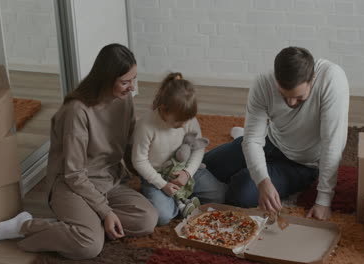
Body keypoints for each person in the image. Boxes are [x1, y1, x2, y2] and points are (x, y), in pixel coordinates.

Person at [0, 43, 158, 260]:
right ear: (106, 79)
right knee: (89, 245)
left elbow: (130, 146)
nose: (132, 87)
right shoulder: (77, 111)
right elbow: (74, 174)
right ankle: (26, 226)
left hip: (108, 180)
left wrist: (156, 173)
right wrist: (106, 212)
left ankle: (78, 225)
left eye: (134, 79)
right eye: (125, 82)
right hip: (70, 185)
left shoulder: (124, 101)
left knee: (147, 219)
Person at [203, 47, 349, 220]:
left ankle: (247, 158)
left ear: (313, 78)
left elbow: (332, 145)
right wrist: (263, 182)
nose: (291, 102)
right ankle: (241, 142)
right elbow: (253, 140)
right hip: (271, 141)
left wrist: (323, 201)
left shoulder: (332, 79)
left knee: (239, 193)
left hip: (303, 163)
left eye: (299, 98)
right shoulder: (264, 83)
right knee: (207, 165)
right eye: (284, 95)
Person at [132, 72, 226, 226]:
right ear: (163, 109)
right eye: (178, 122)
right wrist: (162, 185)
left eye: (186, 121)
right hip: (157, 175)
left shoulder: (187, 118)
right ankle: (181, 203)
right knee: (162, 217)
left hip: (184, 168)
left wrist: (187, 173)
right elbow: (139, 161)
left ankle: (181, 200)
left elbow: (198, 148)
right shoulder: (145, 125)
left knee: (219, 195)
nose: (183, 125)